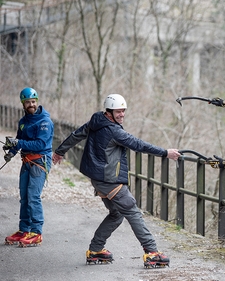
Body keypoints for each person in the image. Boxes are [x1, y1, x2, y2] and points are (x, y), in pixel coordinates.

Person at [52, 94, 181, 267]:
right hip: (109, 180)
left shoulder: (96, 120)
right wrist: (165, 152)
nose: (122, 115)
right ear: (109, 112)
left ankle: (96, 250)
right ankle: (152, 252)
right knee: (132, 211)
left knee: (117, 214)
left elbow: (76, 135)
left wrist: (60, 151)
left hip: (98, 178)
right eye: (118, 111)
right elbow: (139, 144)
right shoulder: (115, 131)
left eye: (123, 111)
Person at [4, 87, 54, 247]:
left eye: (33, 101)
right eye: (27, 102)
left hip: (40, 161)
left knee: (33, 196)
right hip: (26, 161)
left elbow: (40, 144)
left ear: (37, 102)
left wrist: (19, 143)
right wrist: (11, 152)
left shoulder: (45, 121)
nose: (31, 105)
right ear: (23, 104)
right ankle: (24, 230)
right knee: (24, 197)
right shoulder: (23, 122)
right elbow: (19, 139)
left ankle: (36, 232)